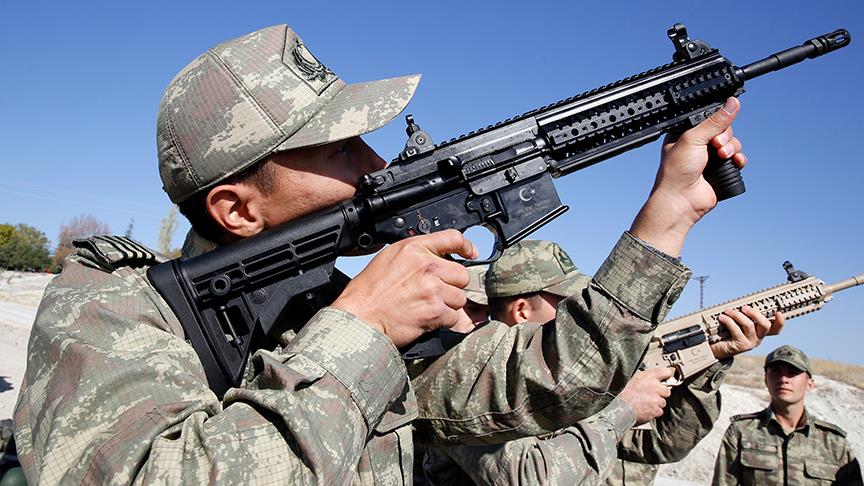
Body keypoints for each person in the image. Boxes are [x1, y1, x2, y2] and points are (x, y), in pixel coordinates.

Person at [14, 24, 750, 484]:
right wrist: (359, 331)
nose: (376, 164)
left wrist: (668, 217)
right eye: (340, 148)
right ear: (237, 209)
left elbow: (548, 384)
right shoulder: (111, 310)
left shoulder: (328, 306)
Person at [423, 240, 783, 485]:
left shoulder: (573, 381)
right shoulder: (469, 382)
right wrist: (623, 409)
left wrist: (713, 357)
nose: (585, 315)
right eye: (568, 305)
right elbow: (527, 477)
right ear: (521, 310)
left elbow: (666, 444)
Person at [712, 345, 862, 485]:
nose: (783, 379)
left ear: (810, 383)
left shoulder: (833, 442)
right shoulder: (741, 432)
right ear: (766, 380)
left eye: (792, 373)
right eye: (775, 372)